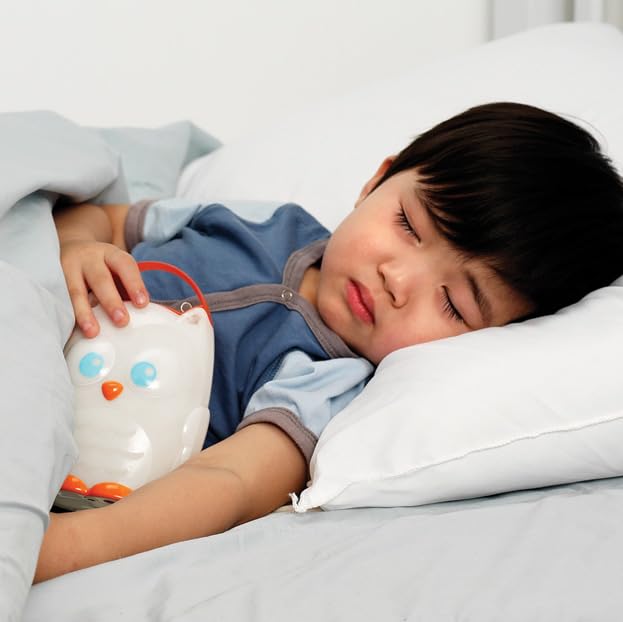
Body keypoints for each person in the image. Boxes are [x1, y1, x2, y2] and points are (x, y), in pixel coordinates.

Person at [35, 102, 623, 582]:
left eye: (453, 303)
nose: (397, 279)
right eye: (409, 225)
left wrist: (68, 548)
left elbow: (228, 483)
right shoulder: (264, 222)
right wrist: (78, 249)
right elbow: (104, 218)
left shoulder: (324, 382)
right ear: (377, 180)